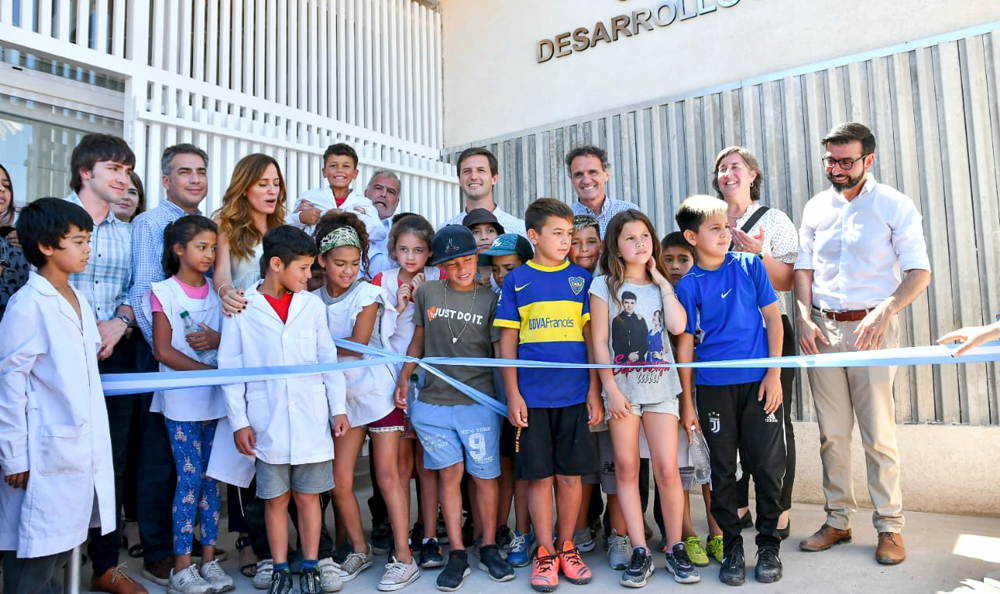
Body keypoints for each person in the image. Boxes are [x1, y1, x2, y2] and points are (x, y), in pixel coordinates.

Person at [795, 122, 930, 566]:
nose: (836, 168)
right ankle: (838, 520)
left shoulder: (894, 205)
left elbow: (918, 272)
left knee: (878, 436)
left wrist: (886, 310)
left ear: (867, 160)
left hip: (873, 331)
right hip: (822, 331)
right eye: (830, 160)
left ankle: (890, 527)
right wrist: (802, 318)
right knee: (832, 435)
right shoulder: (816, 207)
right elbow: (804, 271)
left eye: (845, 161)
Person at [219, 225, 349, 594]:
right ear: (276, 264)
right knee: (274, 500)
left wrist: (336, 409)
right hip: (265, 422)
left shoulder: (311, 306)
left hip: (310, 419)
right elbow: (230, 369)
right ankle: (278, 567)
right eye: (304, 268)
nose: (310, 277)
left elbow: (328, 360)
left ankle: (310, 564)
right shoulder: (244, 307)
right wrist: (239, 421)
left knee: (309, 498)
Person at [0, 198, 114, 592]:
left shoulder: (79, 299)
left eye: (88, 239)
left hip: (77, 448)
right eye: (78, 241)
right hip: (41, 452)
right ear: (47, 247)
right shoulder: (28, 305)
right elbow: (9, 385)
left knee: (58, 556)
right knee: (31, 562)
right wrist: (13, 454)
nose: (87, 249)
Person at [393, 225, 514, 591]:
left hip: (478, 403)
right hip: (434, 403)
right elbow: (418, 339)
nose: (461, 268)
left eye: (466, 260)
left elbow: (499, 352)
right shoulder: (428, 290)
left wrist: (510, 397)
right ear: (440, 265)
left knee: (484, 475)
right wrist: (404, 376)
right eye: (451, 263)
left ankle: (488, 544)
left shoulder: (492, 299)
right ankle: (458, 552)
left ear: (477, 258)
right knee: (450, 474)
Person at [674, 195, 786, 586]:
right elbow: (685, 347)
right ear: (692, 236)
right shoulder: (689, 286)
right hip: (713, 391)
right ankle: (732, 547)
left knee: (768, 467)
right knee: (723, 471)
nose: (726, 234)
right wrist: (688, 402)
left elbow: (773, 319)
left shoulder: (751, 266)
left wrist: (773, 374)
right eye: (715, 228)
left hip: (759, 386)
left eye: (727, 226)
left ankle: (769, 545)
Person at [496, 198, 603, 592]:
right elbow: (507, 343)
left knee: (570, 478)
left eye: (568, 234)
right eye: (557, 233)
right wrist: (513, 394)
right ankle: (544, 552)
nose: (565, 241)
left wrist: (594, 390)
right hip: (533, 399)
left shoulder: (581, 280)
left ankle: (567, 546)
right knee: (539, 478)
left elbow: (592, 341)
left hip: (574, 396)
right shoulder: (517, 280)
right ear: (533, 236)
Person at [312, 212, 419, 591]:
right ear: (321, 261)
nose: (347, 271)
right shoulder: (310, 301)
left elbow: (355, 347)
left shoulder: (368, 294)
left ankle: (404, 557)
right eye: (339, 263)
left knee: (389, 476)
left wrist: (311, 344)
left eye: (354, 263)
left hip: (378, 393)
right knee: (340, 481)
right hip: (341, 399)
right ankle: (359, 548)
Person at [590, 210, 696, 587]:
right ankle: (639, 549)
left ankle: (675, 547)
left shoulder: (662, 285)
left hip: (662, 390)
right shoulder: (603, 286)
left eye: (645, 237)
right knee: (627, 470)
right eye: (630, 238)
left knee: (668, 469)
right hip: (624, 394)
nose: (639, 243)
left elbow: (679, 327)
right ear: (615, 245)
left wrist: (662, 282)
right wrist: (611, 389)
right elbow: (600, 341)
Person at [63, 133, 148, 594]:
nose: (123, 178)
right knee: (58, 454)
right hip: (59, 360)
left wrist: (119, 322)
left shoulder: (128, 233)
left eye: (127, 169)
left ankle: (104, 564)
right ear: (85, 173)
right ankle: (45, 557)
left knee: (111, 461)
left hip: (115, 356)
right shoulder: (54, 218)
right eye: (114, 168)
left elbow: (138, 291)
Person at [128, 143, 215, 586]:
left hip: (201, 360)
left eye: (201, 171)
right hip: (157, 350)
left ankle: (204, 551)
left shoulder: (207, 228)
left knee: (200, 467)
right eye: (185, 172)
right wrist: (169, 350)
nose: (195, 179)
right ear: (166, 180)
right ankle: (159, 550)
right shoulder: (150, 223)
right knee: (160, 459)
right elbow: (143, 295)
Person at [712, 145, 799, 539]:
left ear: (752, 175)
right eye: (721, 169)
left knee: (773, 424)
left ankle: (778, 511)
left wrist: (757, 253)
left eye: (735, 167)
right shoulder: (709, 221)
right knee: (732, 427)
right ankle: (740, 508)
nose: (728, 174)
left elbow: (789, 281)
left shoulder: (775, 219)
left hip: (769, 331)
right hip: (723, 338)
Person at [146, 215, 233, 594]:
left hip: (215, 400)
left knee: (212, 482)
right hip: (181, 401)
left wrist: (217, 340)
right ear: (178, 249)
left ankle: (209, 562)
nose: (209, 255)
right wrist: (205, 369)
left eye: (214, 248)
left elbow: (231, 338)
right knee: (190, 479)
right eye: (201, 247)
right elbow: (163, 350)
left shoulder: (219, 290)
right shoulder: (163, 291)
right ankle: (182, 568)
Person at [373, 213, 445, 570]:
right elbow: (374, 335)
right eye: (403, 249)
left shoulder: (438, 277)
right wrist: (398, 306)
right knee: (400, 465)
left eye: (418, 250)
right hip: (392, 378)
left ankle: (429, 533)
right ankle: (402, 536)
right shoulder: (381, 281)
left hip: (432, 379)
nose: (410, 256)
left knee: (427, 461)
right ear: (393, 250)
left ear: (430, 252)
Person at [659, 231, 723, 566]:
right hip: (672, 394)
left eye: (683, 259)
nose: (675, 266)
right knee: (680, 466)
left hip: (708, 389)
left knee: (710, 465)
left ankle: (717, 532)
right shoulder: (660, 296)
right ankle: (688, 534)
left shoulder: (704, 291)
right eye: (667, 259)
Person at [479, 233, 534, 566]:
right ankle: (500, 528)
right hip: (493, 398)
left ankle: (524, 532)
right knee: (502, 467)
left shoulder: (534, 294)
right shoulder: (490, 298)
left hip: (528, 397)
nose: (502, 276)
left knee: (525, 470)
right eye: (497, 270)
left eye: (509, 268)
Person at [214, 153, 288, 315]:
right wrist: (227, 293)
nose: (272, 191)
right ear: (244, 189)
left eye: (276, 184)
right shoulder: (224, 224)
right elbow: (221, 271)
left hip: (276, 315)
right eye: (262, 184)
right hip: (240, 312)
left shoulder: (284, 228)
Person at [286, 143, 384, 247]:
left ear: (355, 173)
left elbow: (380, 233)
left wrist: (352, 217)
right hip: (314, 259)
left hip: (349, 260)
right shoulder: (310, 197)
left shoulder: (363, 203)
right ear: (324, 172)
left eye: (346, 166)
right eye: (333, 166)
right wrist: (301, 218)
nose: (339, 170)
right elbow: (287, 227)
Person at [440, 147, 527, 238]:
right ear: (459, 180)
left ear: (494, 179)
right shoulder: (445, 232)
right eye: (467, 171)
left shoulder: (520, 230)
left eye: (481, 170)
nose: (473, 177)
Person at [566, 145, 637, 238]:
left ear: (606, 175)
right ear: (572, 180)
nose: (586, 181)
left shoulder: (628, 211)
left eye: (593, 172)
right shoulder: (565, 218)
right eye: (578, 174)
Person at [0, 163, 29, 322]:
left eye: (6, 185)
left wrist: (31, 245)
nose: (2, 189)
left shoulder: (18, 235)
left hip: (14, 330)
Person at [365, 170, 403, 277]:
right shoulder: (347, 222)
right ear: (365, 193)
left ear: (397, 203)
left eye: (391, 192)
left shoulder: (401, 234)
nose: (383, 194)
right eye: (378, 188)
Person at [463, 208, 505, 289]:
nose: (484, 237)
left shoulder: (512, 265)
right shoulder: (461, 272)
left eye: (490, 231)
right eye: (475, 232)